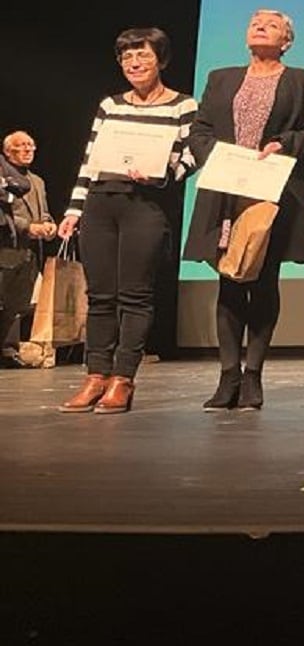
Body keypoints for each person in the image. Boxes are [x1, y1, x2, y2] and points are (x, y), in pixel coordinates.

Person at [183, 10, 304, 410]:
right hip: (227, 193)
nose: (259, 25)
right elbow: (199, 131)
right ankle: (227, 376)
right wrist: (217, 155)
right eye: (253, 21)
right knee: (229, 282)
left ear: (287, 40)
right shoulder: (221, 78)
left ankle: (253, 376)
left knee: (263, 283)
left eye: (271, 23)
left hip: (272, 194)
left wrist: (284, 142)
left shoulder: (302, 81)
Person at [57, 28, 198, 414]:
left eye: (143, 57)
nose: (134, 64)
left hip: (145, 204)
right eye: (127, 59)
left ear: (161, 60)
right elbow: (90, 159)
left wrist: (163, 173)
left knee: (135, 295)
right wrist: (74, 209)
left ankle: (122, 379)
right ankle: (95, 376)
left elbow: (192, 156)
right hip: (101, 201)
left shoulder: (182, 106)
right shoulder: (110, 105)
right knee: (100, 296)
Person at [2, 133, 56, 366]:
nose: (27, 150)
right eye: (20, 147)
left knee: (18, 304)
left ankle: (7, 350)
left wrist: (49, 225)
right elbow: (7, 215)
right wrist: (29, 228)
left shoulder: (37, 181)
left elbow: (42, 211)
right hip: (6, 247)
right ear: (7, 152)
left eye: (30, 146)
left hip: (31, 251)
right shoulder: (3, 177)